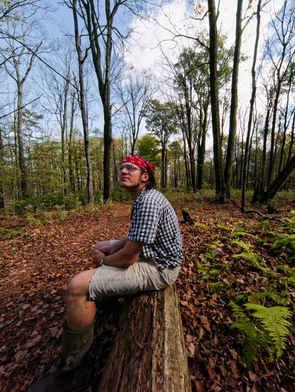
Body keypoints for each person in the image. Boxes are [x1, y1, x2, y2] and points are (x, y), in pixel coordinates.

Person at [29, 155, 183, 392]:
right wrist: (112, 247)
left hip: (160, 268)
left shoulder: (149, 201)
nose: (123, 171)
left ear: (145, 177)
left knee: (77, 286)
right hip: (150, 255)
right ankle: (108, 300)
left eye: (131, 168)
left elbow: (129, 257)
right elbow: (136, 235)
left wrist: (106, 261)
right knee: (100, 245)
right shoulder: (142, 198)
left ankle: (72, 371)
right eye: (121, 168)